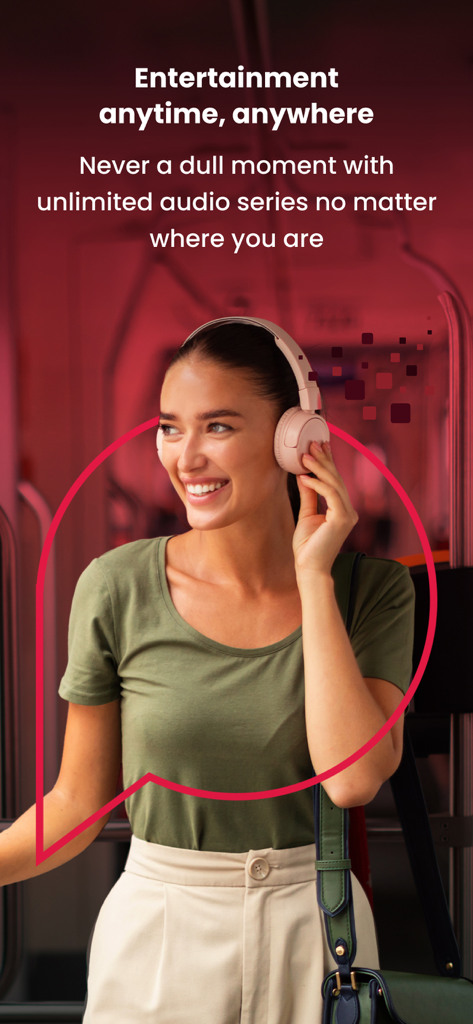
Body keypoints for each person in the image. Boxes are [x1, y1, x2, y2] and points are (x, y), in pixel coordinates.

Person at [0, 320, 415, 1023]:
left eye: (216, 426)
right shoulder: (116, 586)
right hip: (161, 930)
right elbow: (75, 805)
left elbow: (348, 778)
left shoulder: (371, 590)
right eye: (169, 427)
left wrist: (313, 578)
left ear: (296, 438)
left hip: (313, 929)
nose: (185, 456)